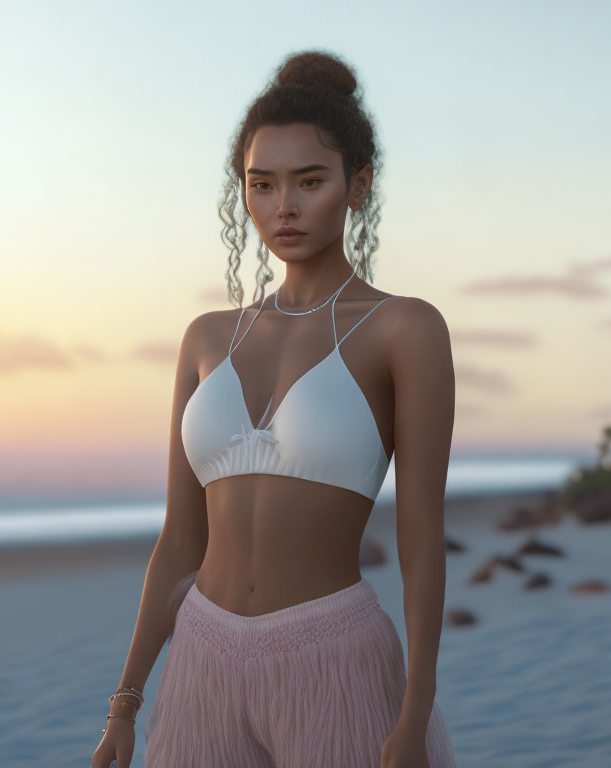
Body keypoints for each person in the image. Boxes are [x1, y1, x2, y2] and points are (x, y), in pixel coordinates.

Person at [92, 48, 458, 768]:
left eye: (309, 182)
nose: (283, 207)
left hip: (333, 657)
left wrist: (414, 713)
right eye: (261, 186)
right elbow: (177, 543)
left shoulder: (404, 330)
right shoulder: (205, 339)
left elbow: (420, 537)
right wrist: (126, 703)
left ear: (359, 186)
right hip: (201, 658)